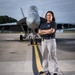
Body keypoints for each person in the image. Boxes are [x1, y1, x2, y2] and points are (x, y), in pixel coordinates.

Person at [38, 11, 58, 75]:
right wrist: (47, 31)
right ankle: (45, 69)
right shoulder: (43, 24)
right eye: (47, 15)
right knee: (44, 56)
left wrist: (43, 31)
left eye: (50, 15)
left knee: (52, 56)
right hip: (43, 41)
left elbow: (52, 31)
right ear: (46, 16)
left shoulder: (54, 23)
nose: (48, 16)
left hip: (51, 41)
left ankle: (55, 71)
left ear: (52, 16)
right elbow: (39, 32)